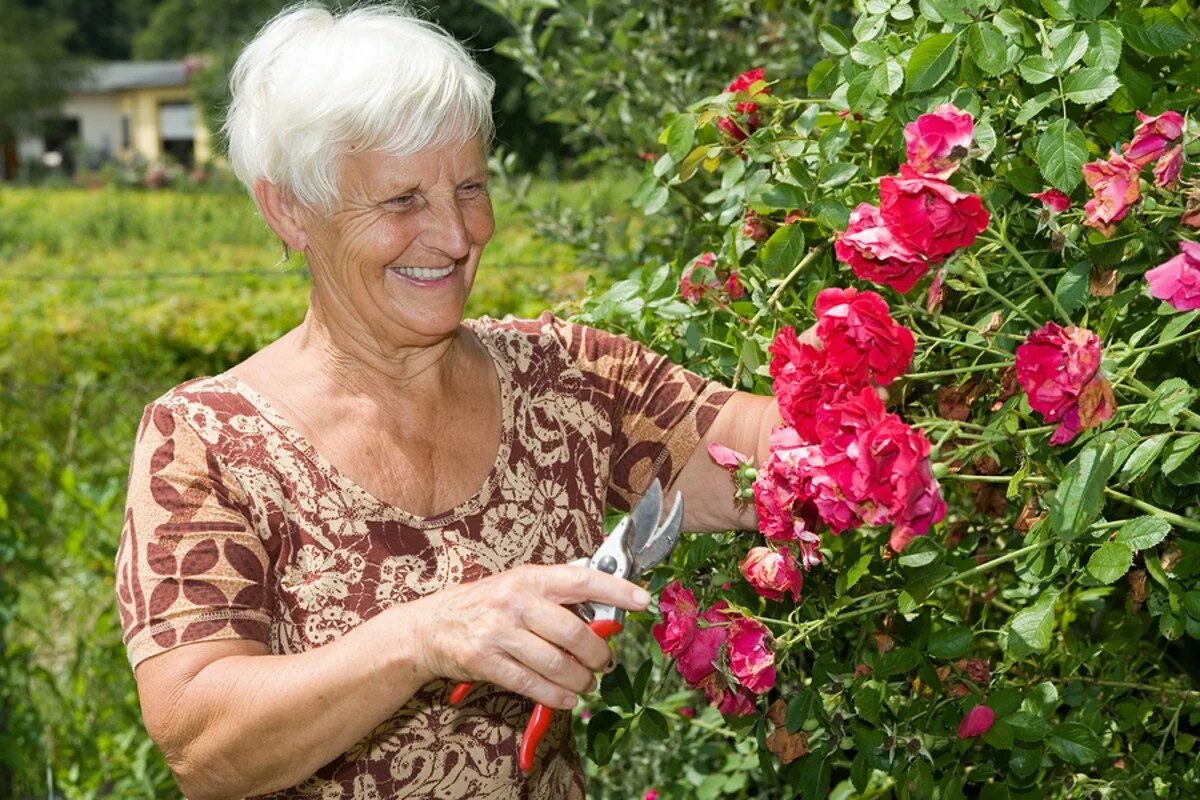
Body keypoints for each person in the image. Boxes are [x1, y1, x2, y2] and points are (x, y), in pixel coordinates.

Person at [113, 4, 780, 798]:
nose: (457, 235)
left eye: (470, 187)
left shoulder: (565, 379)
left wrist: (934, 411)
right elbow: (205, 746)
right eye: (401, 202)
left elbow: (776, 454)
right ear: (289, 209)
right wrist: (420, 637)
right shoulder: (207, 443)